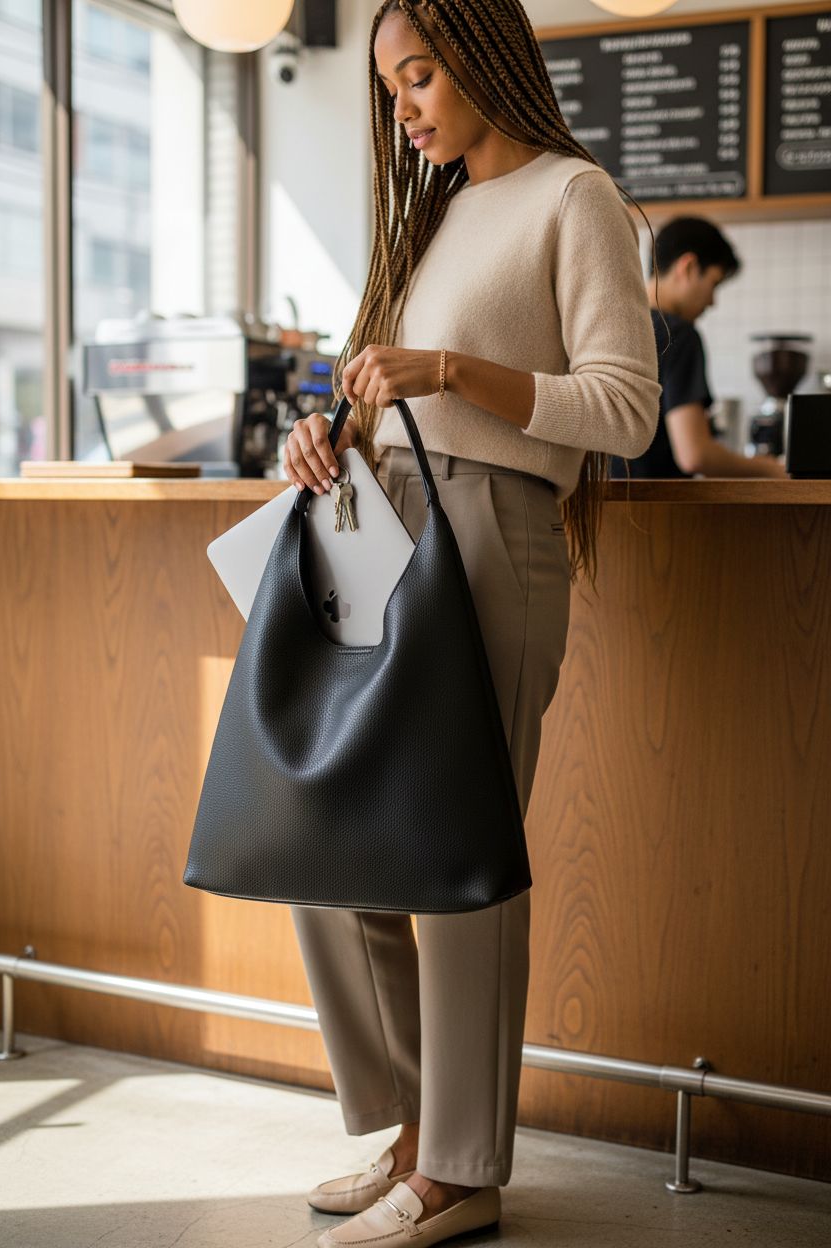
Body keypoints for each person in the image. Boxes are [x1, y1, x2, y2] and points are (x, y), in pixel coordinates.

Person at [281, 3, 660, 1245]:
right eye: (389, 84)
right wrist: (326, 436)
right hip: (380, 530)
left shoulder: (574, 197)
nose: (403, 104)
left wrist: (446, 371)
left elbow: (622, 411)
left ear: (488, 57)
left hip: (494, 539)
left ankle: (461, 1168)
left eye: (420, 74)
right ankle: (412, 1132)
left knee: (456, 863)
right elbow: (387, 395)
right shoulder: (430, 216)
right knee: (331, 844)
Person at [610, 216, 788, 480]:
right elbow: (694, 455)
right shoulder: (679, 334)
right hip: (659, 511)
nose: (713, 301)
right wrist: (770, 468)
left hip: (597, 507)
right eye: (714, 283)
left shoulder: (610, 323)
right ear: (689, 267)